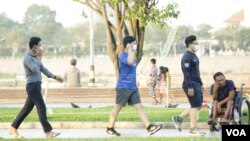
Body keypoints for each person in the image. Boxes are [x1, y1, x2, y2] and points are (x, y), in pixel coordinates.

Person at [106, 36, 162, 136]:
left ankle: (149, 127)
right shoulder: (122, 55)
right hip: (123, 87)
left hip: (133, 87)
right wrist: (130, 49)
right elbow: (129, 61)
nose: (135, 45)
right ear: (127, 45)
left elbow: (132, 68)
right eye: (133, 43)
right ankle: (110, 128)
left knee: (139, 106)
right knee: (117, 108)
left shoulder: (133, 55)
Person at [9, 37, 63, 138]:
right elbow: (34, 69)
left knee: (26, 109)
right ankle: (48, 132)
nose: (41, 48)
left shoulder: (35, 58)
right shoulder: (27, 58)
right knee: (41, 107)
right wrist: (40, 57)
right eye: (39, 45)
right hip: (32, 86)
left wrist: (55, 77)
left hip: (36, 86)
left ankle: (13, 128)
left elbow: (43, 69)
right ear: (34, 47)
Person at [172, 35, 205, 135]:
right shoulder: (186, 57)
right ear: (190, 45)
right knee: (195, 106)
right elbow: (186, 73)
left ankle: (178, 118)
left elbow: (196, 72)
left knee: (198, 106)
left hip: (196, 83)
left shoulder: (194, 56)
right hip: (190, 84)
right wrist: (190, 87)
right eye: (195, 43)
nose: (197, 45)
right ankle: (193, 129)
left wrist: (201, 84)